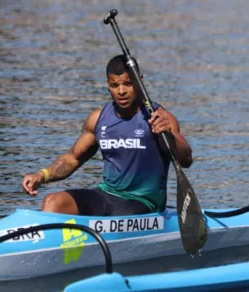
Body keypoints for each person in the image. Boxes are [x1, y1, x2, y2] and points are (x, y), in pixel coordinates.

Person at [22, 55, 192, 216]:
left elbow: (186, 159)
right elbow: (73, 158)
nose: (121, 91)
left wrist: (168, 134)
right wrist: (42, 176)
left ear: (140, 81)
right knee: (53, 201)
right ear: (108, 84)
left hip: (143, 203)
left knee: (122, 214)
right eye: (114, 85)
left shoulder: (159, 117)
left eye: (128, 83)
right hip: (107, 195)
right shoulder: (98, 119)